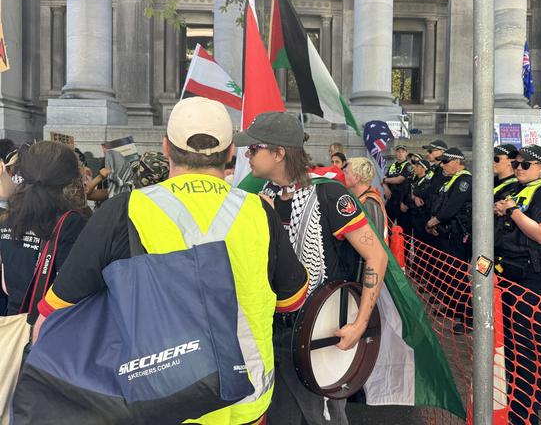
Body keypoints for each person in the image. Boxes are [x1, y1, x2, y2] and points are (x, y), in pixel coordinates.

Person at [33, 97, 309, 425]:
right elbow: (293, 299)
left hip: (156, 402)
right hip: (245, 403)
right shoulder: (259, 211)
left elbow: (53, 317)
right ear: (231, 153)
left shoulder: (124, 210)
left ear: (166, 148)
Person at [233, 111, 388, 425]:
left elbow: (377, 256)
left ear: (278, 153)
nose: (247, 156)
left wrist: (359, 324)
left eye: (253, 149)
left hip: (319, 330)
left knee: (322, 418)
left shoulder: (329, 194)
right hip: (272, 330)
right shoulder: (260, 199)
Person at [493, 145, 541, 425]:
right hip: (514, 276)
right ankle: (520, 403)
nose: (518, 169)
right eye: (515, 164)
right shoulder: (519, 190)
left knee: (527, 348)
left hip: (536, 279)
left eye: (525, 165)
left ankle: (526, 412)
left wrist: (511, 211)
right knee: (514, 346)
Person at [0, 141, 87, 317]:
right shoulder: (70, 222)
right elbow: (73, 287)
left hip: (15, 323)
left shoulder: (7, 218)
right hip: (50, 327)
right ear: (70, 177)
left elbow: (6, 284)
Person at [426, 147, 472, 332]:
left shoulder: (464, 181)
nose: (443, 165)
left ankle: (468, 316)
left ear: (456, 162)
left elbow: (453, 207)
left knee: (458, 274)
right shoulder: (452, 180)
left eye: (446, 161)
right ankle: (456, 308)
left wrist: (433, 222)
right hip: (448, 231)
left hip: (458, 234)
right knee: (450, 273)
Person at [343, 157, 388, 243]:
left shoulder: (370, 203)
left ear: (357, 177)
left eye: (346, 172)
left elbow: (374, 242)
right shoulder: (360, 198)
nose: (342, 174)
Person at [382, 145, 412, 232]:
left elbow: (399, 180)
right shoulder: (392, 166)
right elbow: (383, 181)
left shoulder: (408, 166)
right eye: (398, 151)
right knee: (386, 225)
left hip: (401, 200)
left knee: (403, 228)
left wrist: (385, 180)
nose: (400, 153)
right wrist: (386, 188)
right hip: (391, 200)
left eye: (403, 151)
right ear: (395, 153)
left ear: (406, 153)